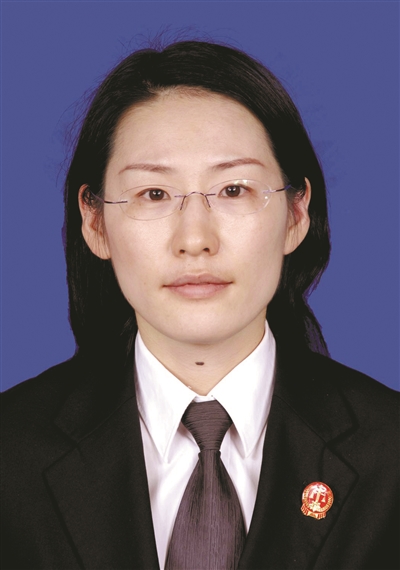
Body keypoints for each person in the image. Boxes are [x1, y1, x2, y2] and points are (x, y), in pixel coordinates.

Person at [1, 40, 398, 570]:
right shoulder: (11, 454)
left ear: (296, 214)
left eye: (233, 190)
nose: (195, 240)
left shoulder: (390, 452)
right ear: (95, 222)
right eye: (154, 194)